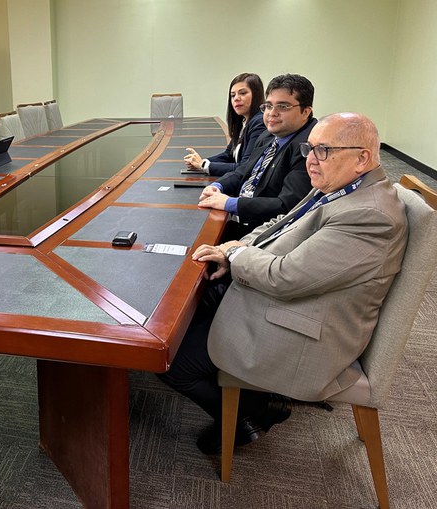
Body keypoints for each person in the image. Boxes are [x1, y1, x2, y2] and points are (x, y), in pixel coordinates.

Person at [158, 113, 407, 455]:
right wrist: (234, 248)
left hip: (304, 328)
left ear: (362, 157)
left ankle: (255, 412)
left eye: (322, 150)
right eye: (309, 148)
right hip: (290, 297)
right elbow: (280, 223)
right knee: (187, 308)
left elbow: (285, 277)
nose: (309, 159)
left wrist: (233, 258)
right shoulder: (343, 185)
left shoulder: (370, 214)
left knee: (170, 360)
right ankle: (251, 395)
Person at [198, 74, 317, 240]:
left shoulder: (308, 147)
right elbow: (243, 171)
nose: (272, 113)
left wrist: (229, 203)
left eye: (282, 107)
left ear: (305, 112)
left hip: (265, 235)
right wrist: (218, 186)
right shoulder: (268, 135)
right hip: (242, 219)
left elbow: (287, 205)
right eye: (268, 106)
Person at [184, 73, 266, 176]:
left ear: (256, 95)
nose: (236, 98)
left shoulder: (259, 123)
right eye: (233, 95)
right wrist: (201, 162)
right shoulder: (244, 121)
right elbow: (228, 155)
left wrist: (204, 165)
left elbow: (245, 167)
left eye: (243, 93)